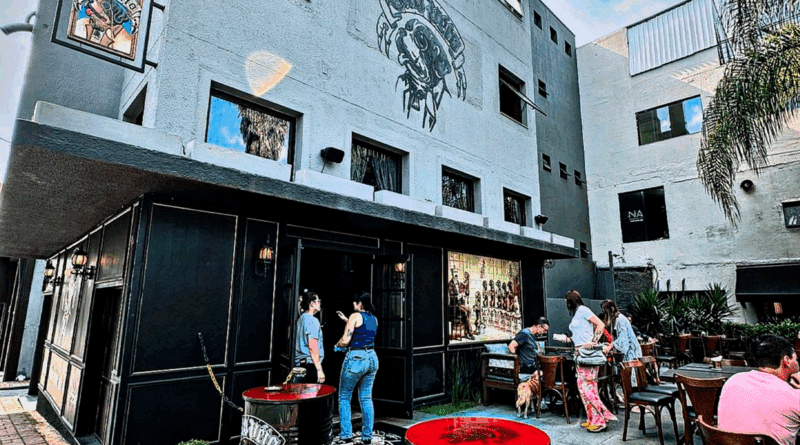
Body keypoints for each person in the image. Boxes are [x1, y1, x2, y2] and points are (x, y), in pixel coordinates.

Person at [718, 334, 800, 445]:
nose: (797, 362)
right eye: (796, 358)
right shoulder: (794, 397)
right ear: (787, 360)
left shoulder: (732, 381)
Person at [565, 289, 617, 433]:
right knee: (584, 388)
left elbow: (600, 324)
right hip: (581, 354)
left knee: (587, 388)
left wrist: (593, 342)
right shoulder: (579, 312)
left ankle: (599, 420)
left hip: (587, 354)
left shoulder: (583, 310)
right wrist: (570, 339)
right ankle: (593, 418)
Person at [334, 292, 380, 445]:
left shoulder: (355, 316)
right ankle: (367, 436)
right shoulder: (374, 319)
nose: (353, 305)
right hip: (372, 357)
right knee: (366, 398)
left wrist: (336, 346)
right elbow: (362, 330)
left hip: (356, 358)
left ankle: (346, 434)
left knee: (344, 396)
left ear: (360, 303)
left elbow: (345, 340)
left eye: (354, 302)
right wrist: (346, 320)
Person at [294, 291, 325, 384]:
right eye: (318, 301)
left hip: (300, 364)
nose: (320, 303)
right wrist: (319, 370)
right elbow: (312, 346)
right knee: (311, 392)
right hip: (310, 365)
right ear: (312, 304)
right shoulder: (312, 320)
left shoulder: (301, 318)